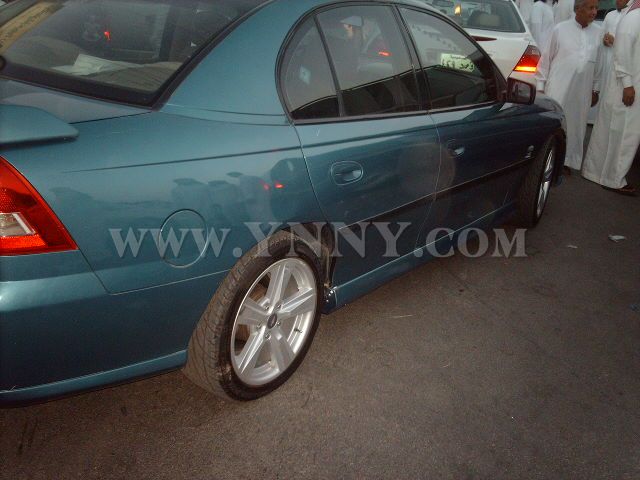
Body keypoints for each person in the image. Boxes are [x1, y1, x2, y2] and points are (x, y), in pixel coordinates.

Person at [536, 0, 602, 173]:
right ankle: (546, 160)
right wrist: (541, 85)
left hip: (582, 90)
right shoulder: (560, 29)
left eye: (596, 8)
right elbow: (545, 59)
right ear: (578, 8)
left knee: (576, 125)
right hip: (559, 87)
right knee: (555, 123)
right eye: (590, 8)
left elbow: (599, 64)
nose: (594, 12)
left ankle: (566, 161)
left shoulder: (598, 33)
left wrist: (596, 89)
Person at [582, 0, 640, 195]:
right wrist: (628, 85)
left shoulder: (632, 16)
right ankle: (615, 179)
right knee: (626, 134)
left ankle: (595, 172)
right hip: (627, 86)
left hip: (626, 84)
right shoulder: (634, 18)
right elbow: (621, 53)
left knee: (611, 131)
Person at [599, 0, 630, 96]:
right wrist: (604, 40)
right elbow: (600, 36)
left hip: (621, 67)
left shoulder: (631, 17)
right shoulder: (610, 15)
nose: (617, 1)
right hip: (606, 63)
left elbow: (630, 44)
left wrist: (615, 41)